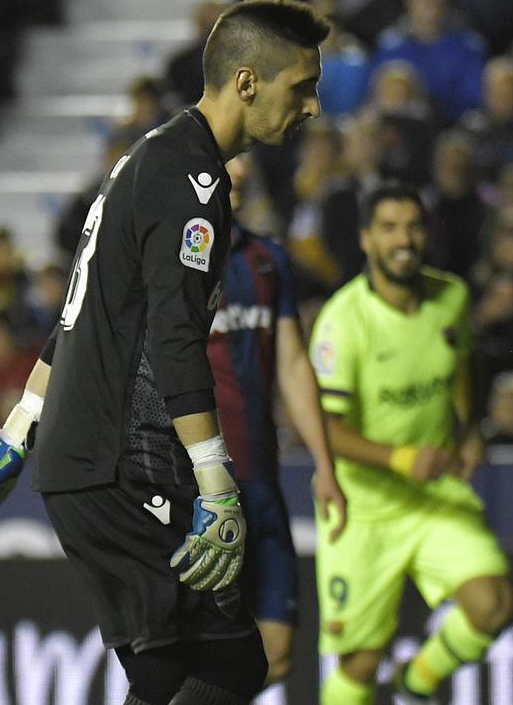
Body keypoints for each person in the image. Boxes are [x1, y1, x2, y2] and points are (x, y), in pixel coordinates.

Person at [0, 0, 330, 704]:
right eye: (299, 86)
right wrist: (214, 478)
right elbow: (173, 339)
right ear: (247, 82)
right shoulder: (191, 183)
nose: (310, 106)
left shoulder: (145, 161)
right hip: (125, 460)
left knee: (164, 670)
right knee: (232, 665)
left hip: (79, 461)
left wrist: (16, 433)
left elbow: (80, 317)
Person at [309, 184, 513, 704]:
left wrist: (469, 430)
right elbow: (324, 429)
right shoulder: (342, 322)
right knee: (359, 662)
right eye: (390, 228)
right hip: (364, 508)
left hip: (433, 496)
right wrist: (400, 458)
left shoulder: (452, 297)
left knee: (492, 606)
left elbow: (462, 362)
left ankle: (415, 685)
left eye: (414, 226)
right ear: (366, 240)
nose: (404, 239)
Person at [210, 155, 344, 688]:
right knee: (206, 652)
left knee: (277, 654)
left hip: (260, 474)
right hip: (197, 485)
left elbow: (292, 362)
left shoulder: (267, 260)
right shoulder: (167, 263)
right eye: (226, 175)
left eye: (244, 179)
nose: (236, 185)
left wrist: (324, 463)